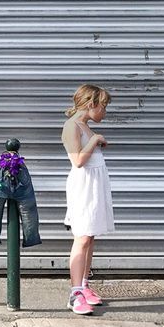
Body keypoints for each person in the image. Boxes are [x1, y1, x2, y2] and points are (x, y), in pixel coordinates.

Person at [60, 84, 114, 315]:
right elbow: (77, 161)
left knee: (90, 237)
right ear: (91, 104)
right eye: (103, 106)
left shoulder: (85, 126)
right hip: (83, 188)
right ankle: (75, 293)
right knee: (82, 237)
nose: (105, 111)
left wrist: (96, 141)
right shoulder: (72, 126)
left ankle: (84, 284)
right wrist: (95, 140)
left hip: (95, 186)